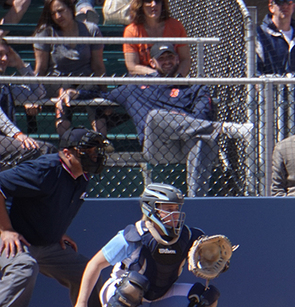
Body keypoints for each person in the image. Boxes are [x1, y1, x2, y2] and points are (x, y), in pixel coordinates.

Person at [0, 128, 133, 307]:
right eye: (87, 151)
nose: (94, 155)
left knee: (85, 270)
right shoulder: (44, 170)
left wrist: (57, 231)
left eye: (96, 151)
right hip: (14, 241)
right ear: (67, 153)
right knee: (24, 267)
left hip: (46, 242)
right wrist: (5, 229)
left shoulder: (81, 175)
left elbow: (50, 205)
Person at [62, 44, 250, 197]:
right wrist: (76, 93)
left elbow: (201, 117)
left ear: (177, 59)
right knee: (155, 116)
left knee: (203, 141)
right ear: (152, 62)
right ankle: (224, 128)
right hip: (156, 146)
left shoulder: (195, 87)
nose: (167, 61)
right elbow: (102, 96)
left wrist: (178, 120)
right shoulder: (135, 86)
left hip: (186, 145)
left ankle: (196, 201)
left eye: (170, 57)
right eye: (162, 58)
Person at [73, 183, 222, 307]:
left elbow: (210, 260)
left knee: (207, 296)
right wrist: (81, 303)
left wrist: (217, 263)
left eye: (176, 208)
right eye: (168, 209)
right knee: (135, 283)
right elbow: (94, 264)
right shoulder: (133, 235)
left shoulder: (188, 236)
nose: (175, 214)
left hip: (159, 299)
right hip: (120, 294)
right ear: (152, 209)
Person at [33, 0, 107, 136]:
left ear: (71, 9)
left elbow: (98, 66)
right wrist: (32, 94)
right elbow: (40, 68)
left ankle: (101, 141)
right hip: (56, 82)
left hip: (85, 82)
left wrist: (104, 92)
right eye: (53, 13)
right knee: (65, 90)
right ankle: (65, 143)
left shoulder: (90, 30)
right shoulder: (46, 32)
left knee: (91, 88)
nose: (57, 16)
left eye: (60, 11)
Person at [0, 39, 56, 170]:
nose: (5, 59)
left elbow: (38, 93)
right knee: (44, 151)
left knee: (49, 151)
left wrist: (20, 65)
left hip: (6, 142)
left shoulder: (5, 86)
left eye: (7, 54)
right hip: (7, 140)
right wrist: (17, 134)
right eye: (0, 54)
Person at [256, 0, 295, 101]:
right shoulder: (260, 36)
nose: (284, 6)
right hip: (270, 104)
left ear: (293, 6)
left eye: (288, 2)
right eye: (280, 2)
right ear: (271, 7)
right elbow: (255, 73)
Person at [123, 0, 191, 77]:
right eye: (148, 1)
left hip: (173, 76)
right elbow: (132, 66)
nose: (153, 5)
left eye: (157, 1)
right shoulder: (131, 31)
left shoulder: (176, 26)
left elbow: (185, 59)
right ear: (140, 5)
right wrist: (157, 76)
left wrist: (177, 78)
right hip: (145, 78)